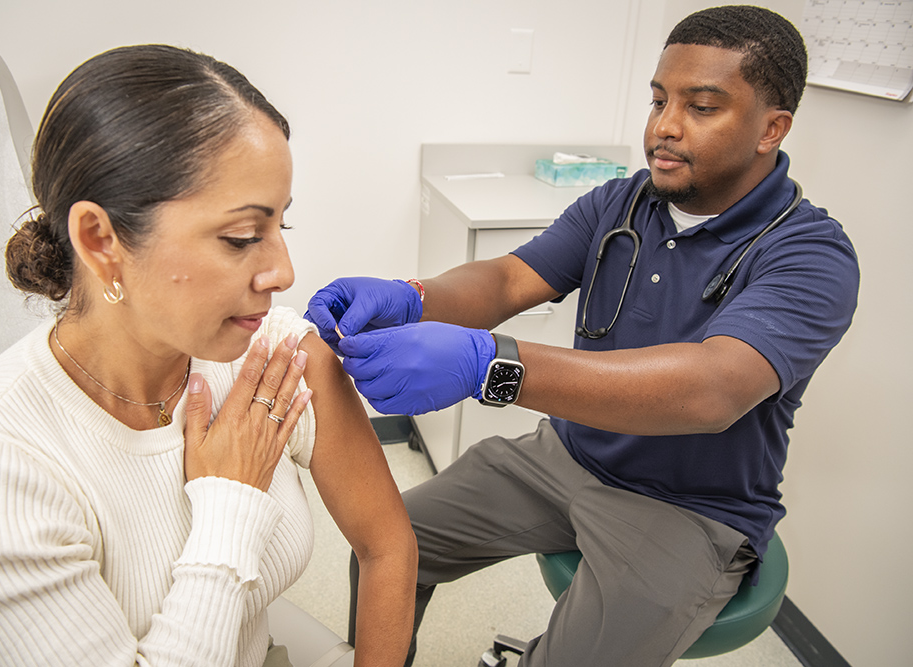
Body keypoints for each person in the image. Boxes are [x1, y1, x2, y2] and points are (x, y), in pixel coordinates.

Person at [306, 6, 859, 666]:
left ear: (773, 127)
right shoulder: (620, 203)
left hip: (688, 506)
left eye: (701, 106)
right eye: (658, 100)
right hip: (566, 454)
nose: (665, 126)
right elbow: (510, 279)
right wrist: (414, 297)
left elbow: (714, 388)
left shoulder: (811, 254)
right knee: (387, 544)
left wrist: (491, 365)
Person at [0, 45, 416, 667]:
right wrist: (229, 500)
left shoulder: (274, 357)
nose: (283, 272)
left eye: (280, 226)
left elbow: (388, 546)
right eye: (241, 238)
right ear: (101, 240)